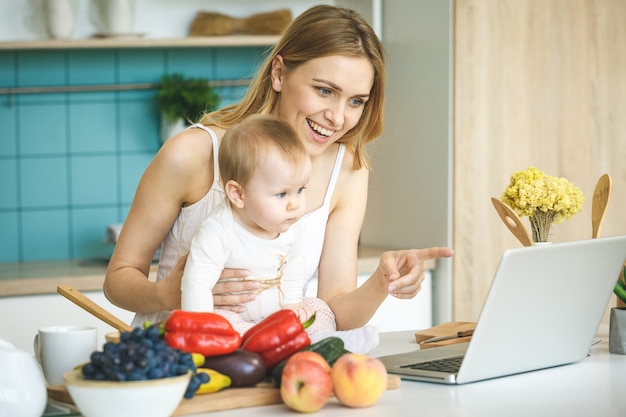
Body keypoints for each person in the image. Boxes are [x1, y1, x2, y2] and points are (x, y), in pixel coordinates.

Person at [103, 5, 454, 337]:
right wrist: (168, 294)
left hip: (268, 368)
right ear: (279, 73)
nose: (337, 117)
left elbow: (335, 312)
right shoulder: (194, 153)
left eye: (356, 101)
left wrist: (382, 281)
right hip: (176, 365)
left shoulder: (346, 171)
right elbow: (118, 280)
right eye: (324, 90)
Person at [181, 114, 378, 352]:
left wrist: (293, 304)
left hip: (277, 316)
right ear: (238, 194)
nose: (295, 204)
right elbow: (197, 283)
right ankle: (297, 346)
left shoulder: (287, 225)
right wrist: (202, 330)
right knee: (226, 326)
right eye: (282, 194)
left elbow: (294, 264)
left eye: (300, 190)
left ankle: (329, 341)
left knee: (318, 308)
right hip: (237, 319)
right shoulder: (218, 230)